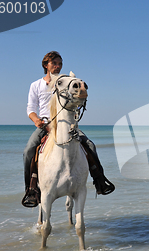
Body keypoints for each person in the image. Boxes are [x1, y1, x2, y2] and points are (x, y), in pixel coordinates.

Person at [22, 51, 114, 207]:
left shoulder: (66, 82)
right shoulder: (36, 85)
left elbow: (76, 98)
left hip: (66, 123)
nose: (58, 66)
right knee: (28, 151)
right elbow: (30, 108)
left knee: (90, 145)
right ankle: (31, 190)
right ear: (46, 65)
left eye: (60, 63)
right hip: (46, 124)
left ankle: (100, 181)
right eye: (54, 63)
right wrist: (36, 120)